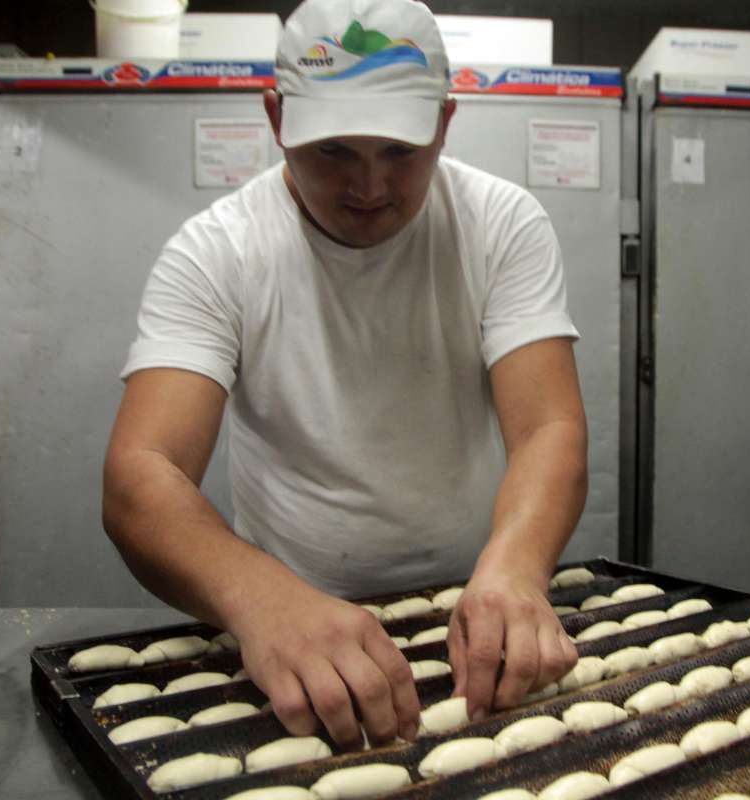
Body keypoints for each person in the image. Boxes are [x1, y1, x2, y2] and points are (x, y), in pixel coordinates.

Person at [102, 0, 588, 749]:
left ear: (445, 124)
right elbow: (142, 471)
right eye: (333, 150)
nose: (369, 185)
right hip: (292, 622)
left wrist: (516, 569)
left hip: (471, 603)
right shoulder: (216, 253)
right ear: (277, 119)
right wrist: (262, 600)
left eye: (399, 150)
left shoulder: (500, 224)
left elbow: (548, 426)